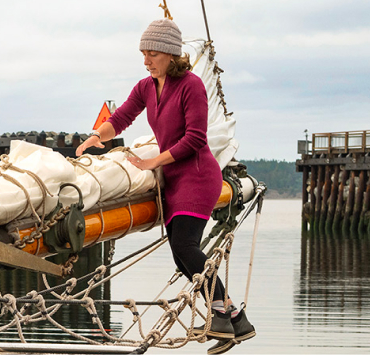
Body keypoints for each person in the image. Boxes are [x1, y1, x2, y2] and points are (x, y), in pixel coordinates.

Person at [76, 19, 254, 354]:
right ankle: (235, 319)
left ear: (172, 55)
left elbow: (195, 139)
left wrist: (151, 162)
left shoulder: (191, 86)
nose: (146, 60)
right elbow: (123, 117)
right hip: (174, 179)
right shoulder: (146, 86)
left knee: (187, 249)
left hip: (199, 176)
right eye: (143, 53)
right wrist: (97, 136)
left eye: (153, 54)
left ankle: (220, 317)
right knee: (182, 258)